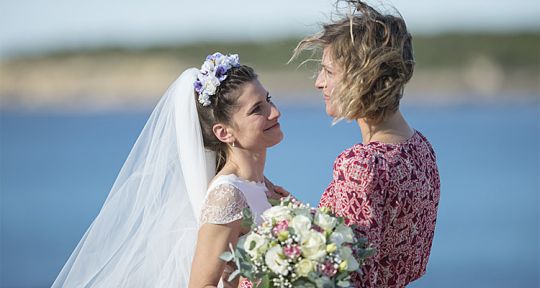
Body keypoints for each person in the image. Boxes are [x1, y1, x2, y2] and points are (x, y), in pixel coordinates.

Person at [52, 52, 286, 288]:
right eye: (257, 109)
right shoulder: (227, 195)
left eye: (269, 100)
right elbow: (201, 284)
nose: (275, 112)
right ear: (224, 132)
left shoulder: (263, 186)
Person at [291, 1, 441, 287]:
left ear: (362, 77)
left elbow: (352, 278)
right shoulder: (421, 148)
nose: (319, 83)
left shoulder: (361, 164)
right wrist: (300, 217)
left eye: (329, 72)